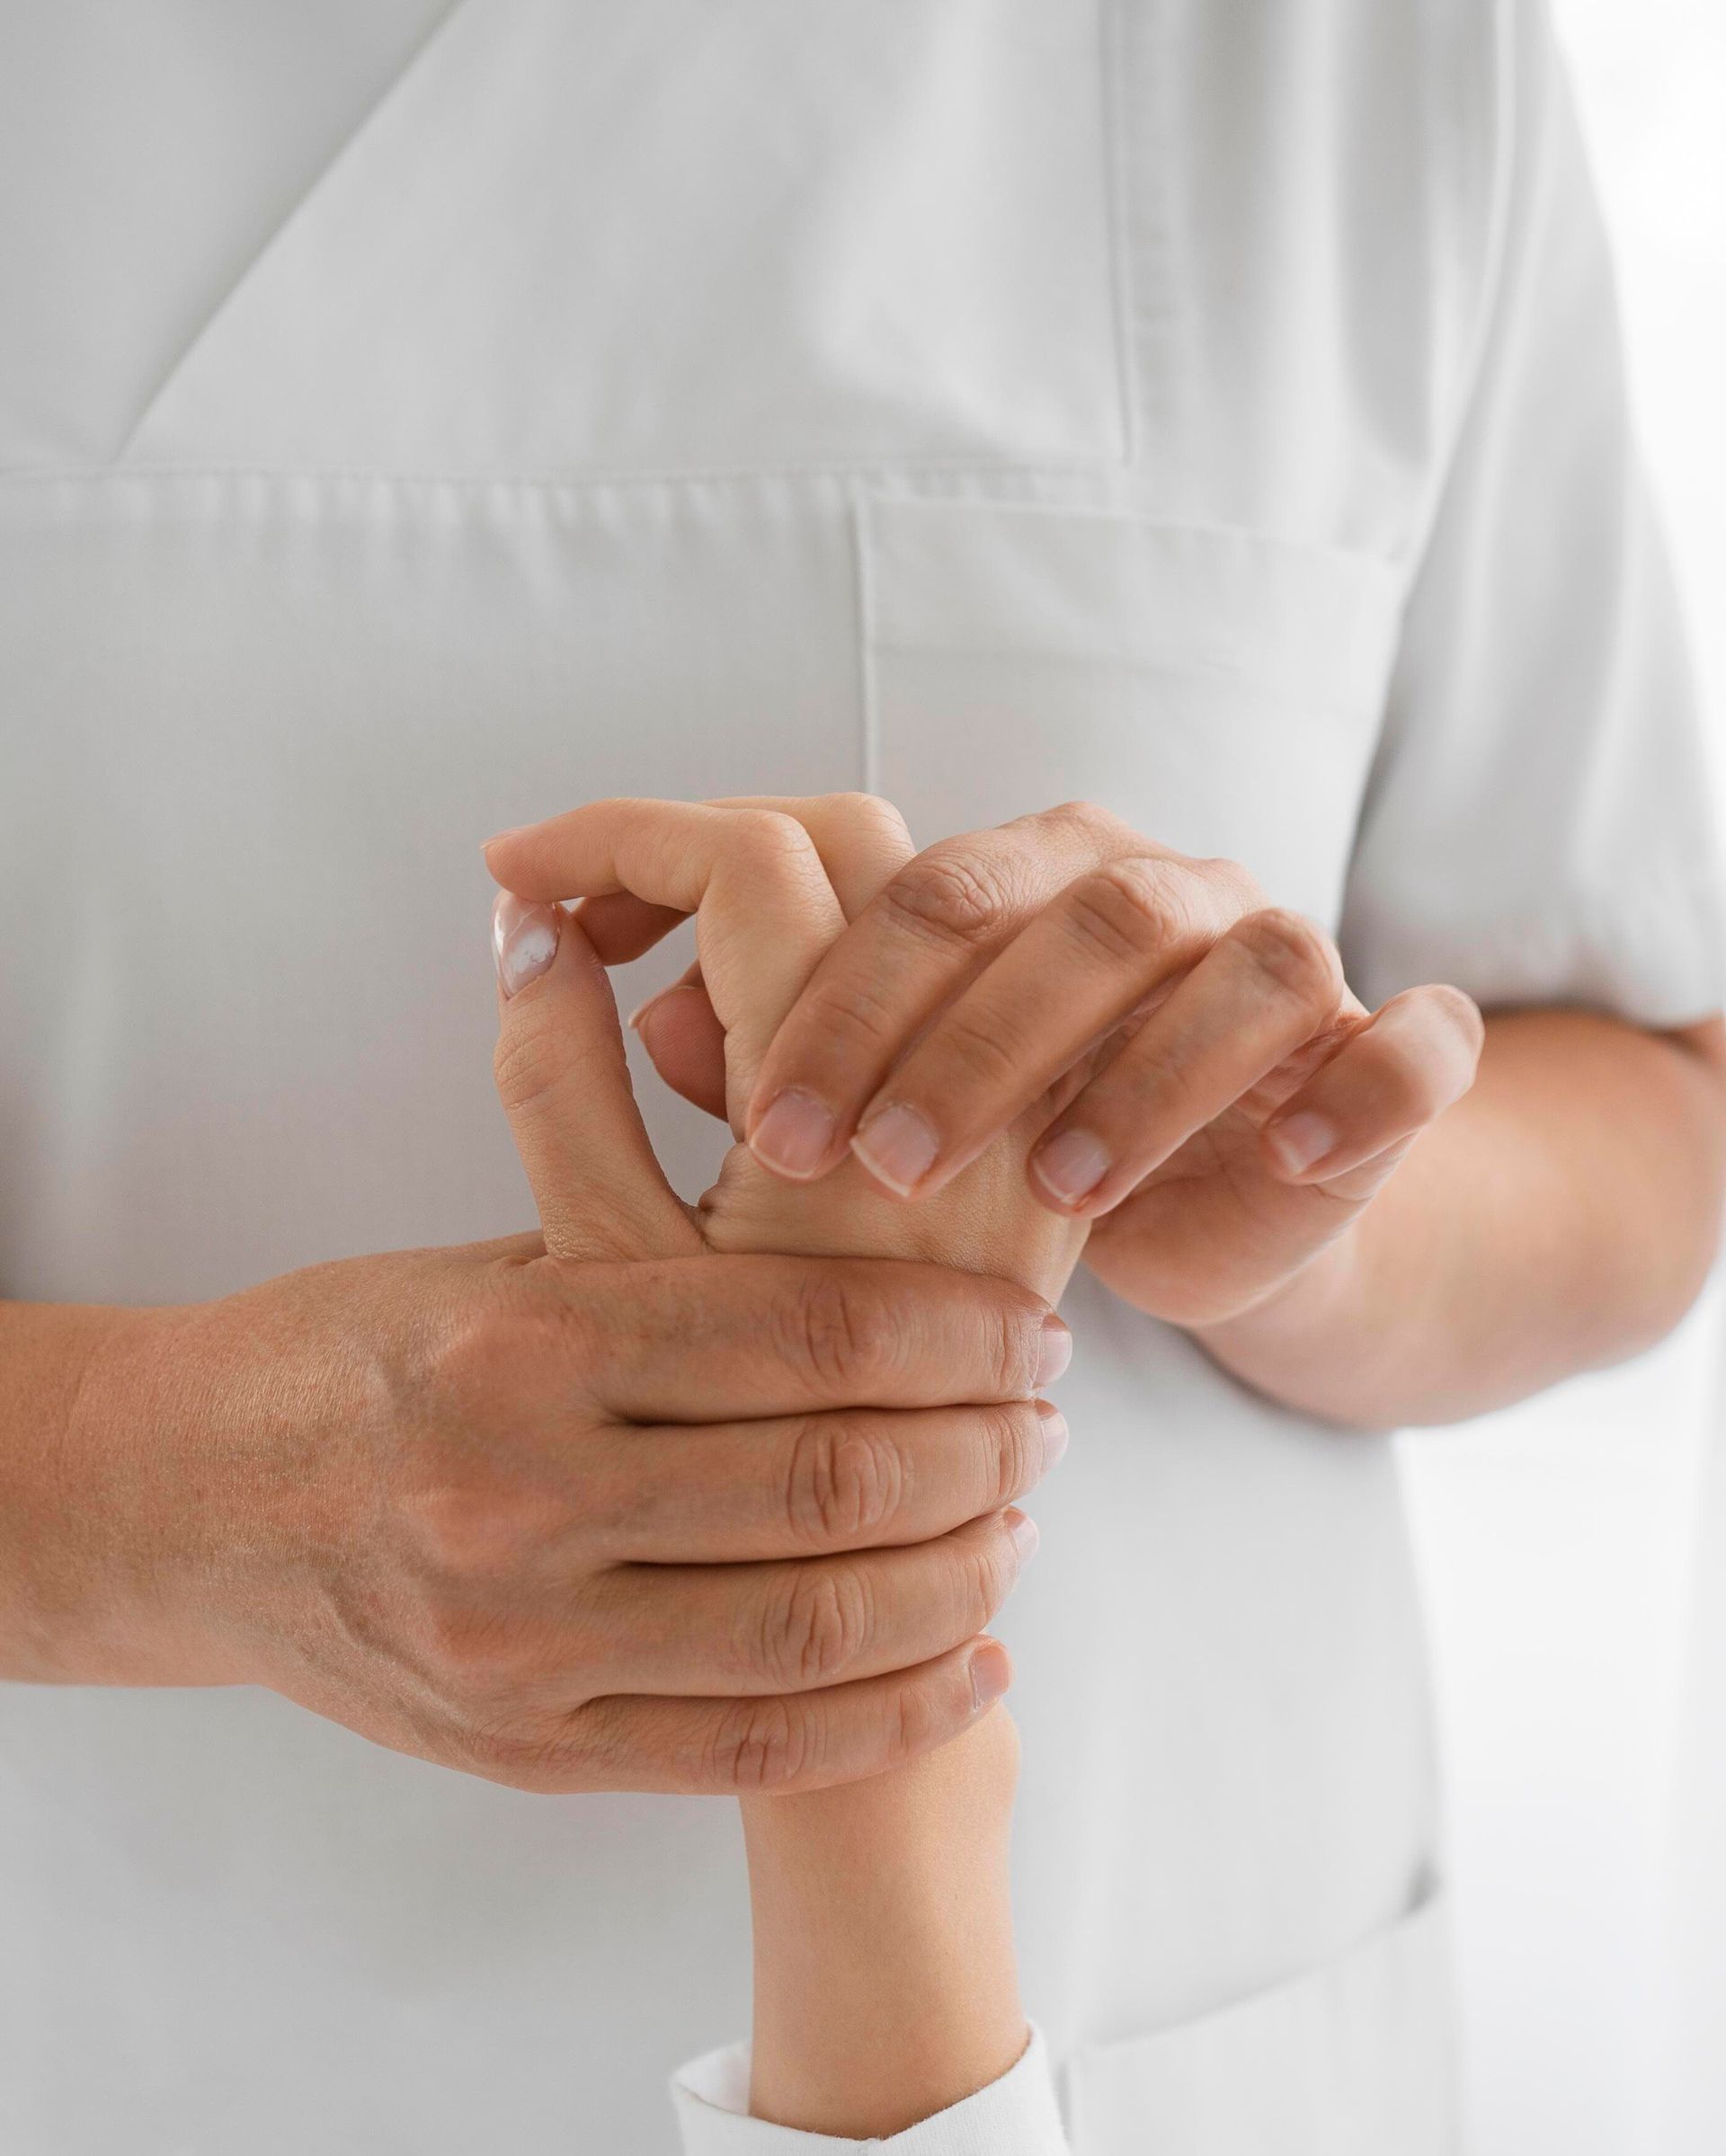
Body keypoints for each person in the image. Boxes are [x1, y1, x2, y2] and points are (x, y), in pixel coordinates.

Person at [2, 2, 1723, 2150]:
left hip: (1138, 1999)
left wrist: (1309, 1206)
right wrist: (164, 1492)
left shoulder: (1354, 54)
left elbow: (1651, 1101)